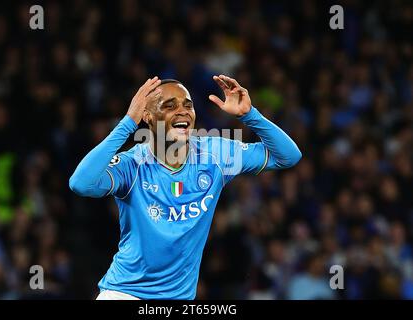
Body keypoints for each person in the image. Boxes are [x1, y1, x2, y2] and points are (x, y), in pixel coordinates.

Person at [69, 75, 302, 300]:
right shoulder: (133, 164)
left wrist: (250, 115)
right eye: (169, 105)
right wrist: (128, 122)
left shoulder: (215, 155)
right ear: (148, 117)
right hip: (125, 293)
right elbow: (81, 183)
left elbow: (288, 156)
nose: (182, 111)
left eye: (187, 105)